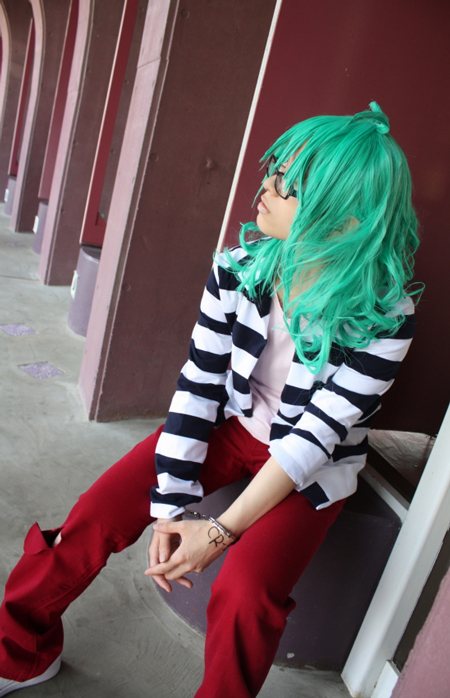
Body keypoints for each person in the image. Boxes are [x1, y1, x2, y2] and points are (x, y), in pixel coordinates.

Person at [0, 102, 420, 697]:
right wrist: (170, 504)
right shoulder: (238, 270)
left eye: (289, 183)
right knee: (95, 514)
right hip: (232, 427)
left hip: (312, 467)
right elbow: (199, 384)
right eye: (274, 170)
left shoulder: (385, 317)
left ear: (344, 216)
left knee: (246, 593)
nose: (266, 187)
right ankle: (17, 653)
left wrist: (218, 533)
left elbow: (314, 439)